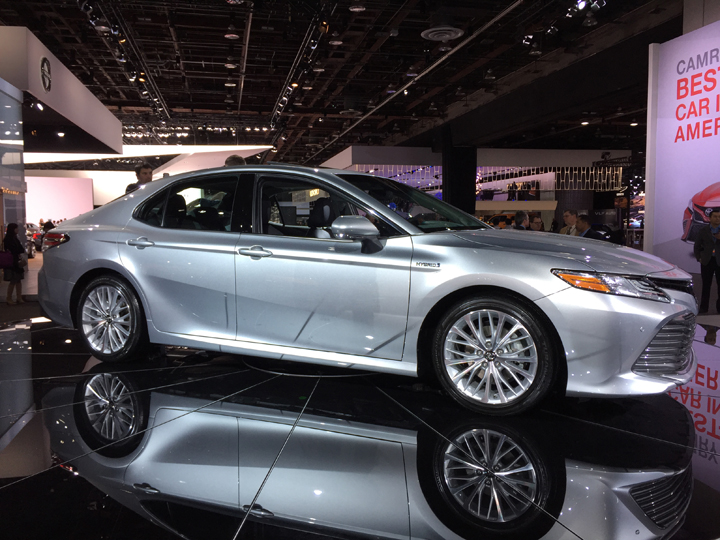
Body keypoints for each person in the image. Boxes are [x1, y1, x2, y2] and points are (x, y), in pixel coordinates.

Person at [694, 209, 720, 314]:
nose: (717, 219)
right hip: (707, 261)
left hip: (719, 261)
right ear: (710, 218)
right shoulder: (703, 230)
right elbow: (697, 245)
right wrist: (699, 258)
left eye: (719, 217)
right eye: (715, 217)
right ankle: (704, 308)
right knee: (706, 285)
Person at [3, 223, 26, 304]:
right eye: (16, 228)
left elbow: (20, 249)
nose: (17, 230)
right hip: (12, 262)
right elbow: (17, 249)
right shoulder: (9, 239)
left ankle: (18, 297)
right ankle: (9, 298)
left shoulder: (13, 238)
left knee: (18, 280)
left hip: (16, 261)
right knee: (14, 280)